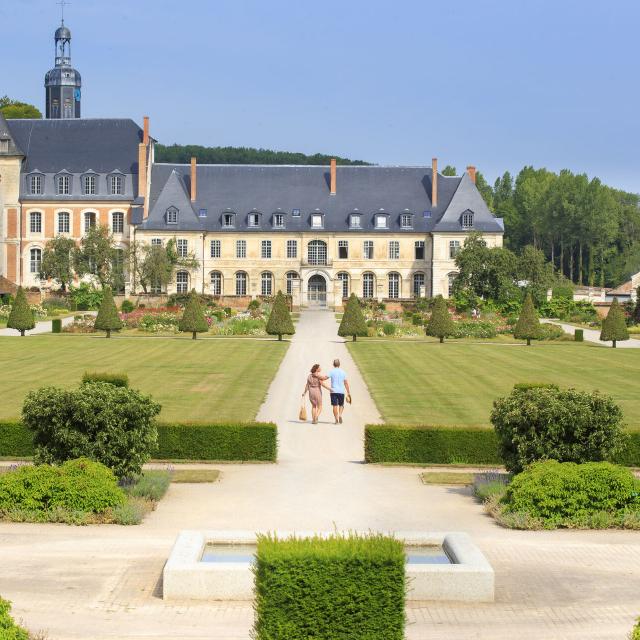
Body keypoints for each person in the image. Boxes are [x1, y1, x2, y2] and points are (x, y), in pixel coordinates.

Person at [328, 358, 351, 425]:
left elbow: (325, 377)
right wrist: (348, 392)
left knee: (334, 405)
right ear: (339, 364)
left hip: (333, 391)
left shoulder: (331, 371)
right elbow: (346, 383)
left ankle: (336, 419)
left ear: (333, 364)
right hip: (341, 391)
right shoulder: (343, 372)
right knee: (341, 404)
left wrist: (319, 377)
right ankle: (340, 415)